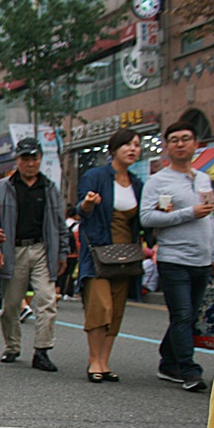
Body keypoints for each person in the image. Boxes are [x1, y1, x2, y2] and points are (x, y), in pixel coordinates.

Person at [140, 120, 214, 393]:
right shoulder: (157, 181)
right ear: (166, 147)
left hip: (203, 260)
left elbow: (211, 219)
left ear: (196, 144)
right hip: (174, 258)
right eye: (174, 140)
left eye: (186, 138)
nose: (180, 143)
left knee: (188, 315)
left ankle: (169, 360)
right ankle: (189, 369)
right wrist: (188, 213)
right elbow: (147, 217)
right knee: (182, 314)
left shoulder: (203, 178)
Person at [0, 137, 68, 372]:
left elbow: (59, 222)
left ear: (40, 159)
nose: (30, 163)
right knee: (12, 304)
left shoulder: (49, 187)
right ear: (17, 159)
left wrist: (62, 252)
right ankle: (12, 346)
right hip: (13, 250)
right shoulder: (3, 187)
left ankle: (42, 351)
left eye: (34, 158)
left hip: (42, 249)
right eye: (25, 158)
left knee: (46, 300)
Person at [76, 130, 146, 383]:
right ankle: (93, 360)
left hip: (126, 255)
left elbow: (143, 220)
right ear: (113, 149)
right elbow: (80, 209)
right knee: (100, 307)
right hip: (98, 254)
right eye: (127, 144)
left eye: (137, 145)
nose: (132, 149)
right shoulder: (95, 176)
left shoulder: (138, 183)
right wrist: (89, 204)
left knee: (116, 309)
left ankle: (104, 362)